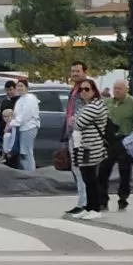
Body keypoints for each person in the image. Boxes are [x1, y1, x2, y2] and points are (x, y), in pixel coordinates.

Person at [98, 78, 133, 211]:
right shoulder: (107, 103)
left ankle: (123, 198)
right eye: (115, 88)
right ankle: (102, 199)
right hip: (109, 141)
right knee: (103, 170)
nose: (116, 91)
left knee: (125, 172)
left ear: (126, 90)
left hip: (125, 141)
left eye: (119, 89)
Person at [69, 78, 110, 220]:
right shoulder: (84, 106)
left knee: (91, 178)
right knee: (86, 178)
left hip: (92, 147)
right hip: (83, 146)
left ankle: (96, 208)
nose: (84, 92)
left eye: (87, 89)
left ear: (94, 91)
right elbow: (73, 120)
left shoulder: (95, 106)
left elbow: (77, 123)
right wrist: (75, 120)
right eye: (81, 89)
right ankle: (89, 207)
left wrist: (75, 120)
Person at [62, 61, 90, 216]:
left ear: (84, 71)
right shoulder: (73, 90)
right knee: (77, 169)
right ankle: (81, 202)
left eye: (78, 71)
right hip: (73, 134)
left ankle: (86, 203)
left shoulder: (86, 88)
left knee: (83, 169)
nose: (74, 74)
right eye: (73, 71)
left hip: (82, 134)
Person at [11, 80, 41, 170]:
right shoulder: (20, 99)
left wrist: (14, 123)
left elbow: (26, 115)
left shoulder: (30, 98)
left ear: (26, 88)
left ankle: (31, 172)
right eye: (18, 86)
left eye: (21, 86)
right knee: (23, 152)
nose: (19, 88)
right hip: (22, 128)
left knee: (27, 152)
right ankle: (27, 171)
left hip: (29, 127)